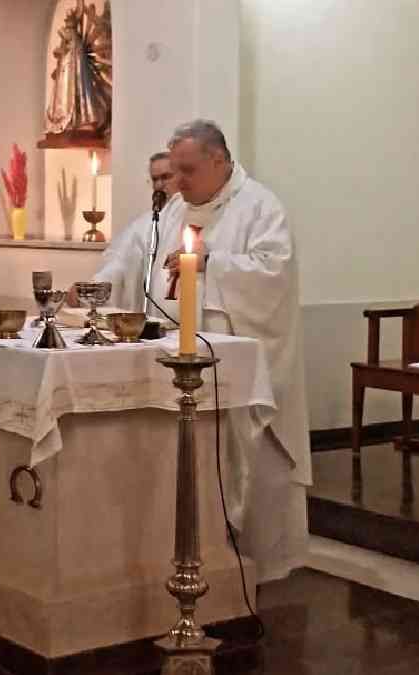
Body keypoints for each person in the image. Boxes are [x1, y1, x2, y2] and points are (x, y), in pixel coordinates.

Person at [97, 119, 310, 583]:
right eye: (175, 171)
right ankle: (191, 560)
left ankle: (254, 569)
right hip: (177, 361)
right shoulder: (176, 209)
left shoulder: (259, 207)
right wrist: (101, 287)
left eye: (188, 170)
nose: (180, 181)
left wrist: (214, 261)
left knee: (249, 467)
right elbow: (139, 260)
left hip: (239, 370)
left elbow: (274, 276)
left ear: (219, 160)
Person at [82, 151, 179, 311]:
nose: (160, 185)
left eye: (166, 177)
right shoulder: (145, 224)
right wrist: (93, 289)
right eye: (155, 179)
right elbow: (119, 261)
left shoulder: (192, 217)